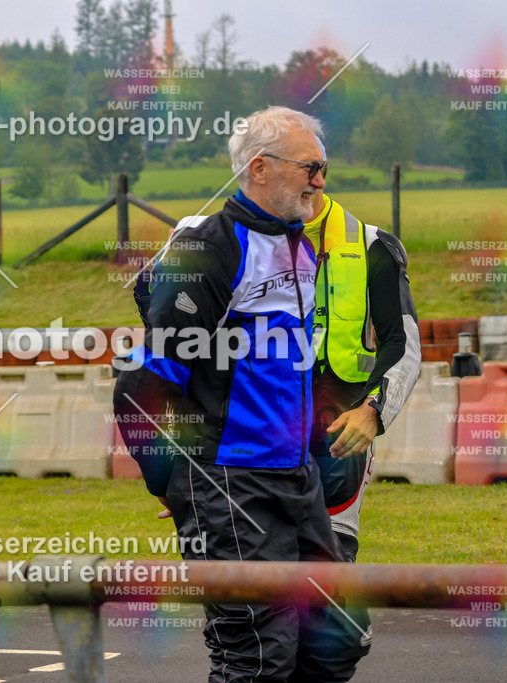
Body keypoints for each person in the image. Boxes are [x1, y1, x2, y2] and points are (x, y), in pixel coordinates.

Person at [113, 106, 369, 682]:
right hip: (226, 482)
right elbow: (141, 390)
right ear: (259, 168)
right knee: (256, 657)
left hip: (293, 475)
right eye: (310, 167)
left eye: (323, 167)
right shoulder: (207, 250)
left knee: (335, 641)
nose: (321, 180)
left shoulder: (297, 243)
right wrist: (181, 489)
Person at [305, 187, 421, 562]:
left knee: (326, 583)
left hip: (339, 440)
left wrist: (373, 411)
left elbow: (403, 343)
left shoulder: (372, 244)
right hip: (252, 447)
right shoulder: (226, 244)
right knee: (243, 597)